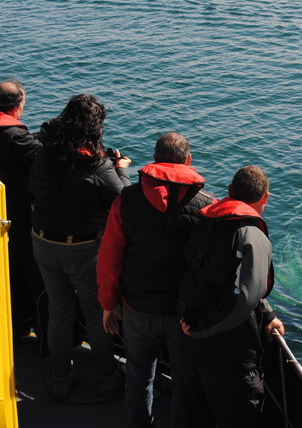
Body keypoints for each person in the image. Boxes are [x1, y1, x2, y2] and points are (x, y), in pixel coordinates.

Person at [96, 132, 213, 427]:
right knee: (185, 383)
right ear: (188, 160)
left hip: (137, 306)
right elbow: (213, 267)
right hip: (183, 313)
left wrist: (109, 304)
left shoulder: (127, 200)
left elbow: (110, 257)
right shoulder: (207, 206)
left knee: (138, 377)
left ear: (155, 160)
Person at [30, 94, 131, 400]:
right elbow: (124, 200)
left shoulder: (44, 154)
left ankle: (60, 377)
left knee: (59, 311)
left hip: (43, 242)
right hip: (82, 250)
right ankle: (108, 376)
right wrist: (121, 167)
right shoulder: (97, 168)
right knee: (97, 313)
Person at [178, 165, 285, 427]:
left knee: (196, 415)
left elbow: (215, 277)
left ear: (229, 192)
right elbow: (243, 297)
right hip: (228, 351)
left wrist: (267, 312)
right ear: (265, 198)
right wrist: (200, 328)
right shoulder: (251, 236)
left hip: (189, 342)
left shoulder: (205, 222)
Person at [0, 78, 48, 353]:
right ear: (16, 108)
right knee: (35, 279)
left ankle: (12, 330)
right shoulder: (15, 136)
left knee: (3, 279)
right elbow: (42, 162)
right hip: (17, 219)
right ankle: (44, 339)